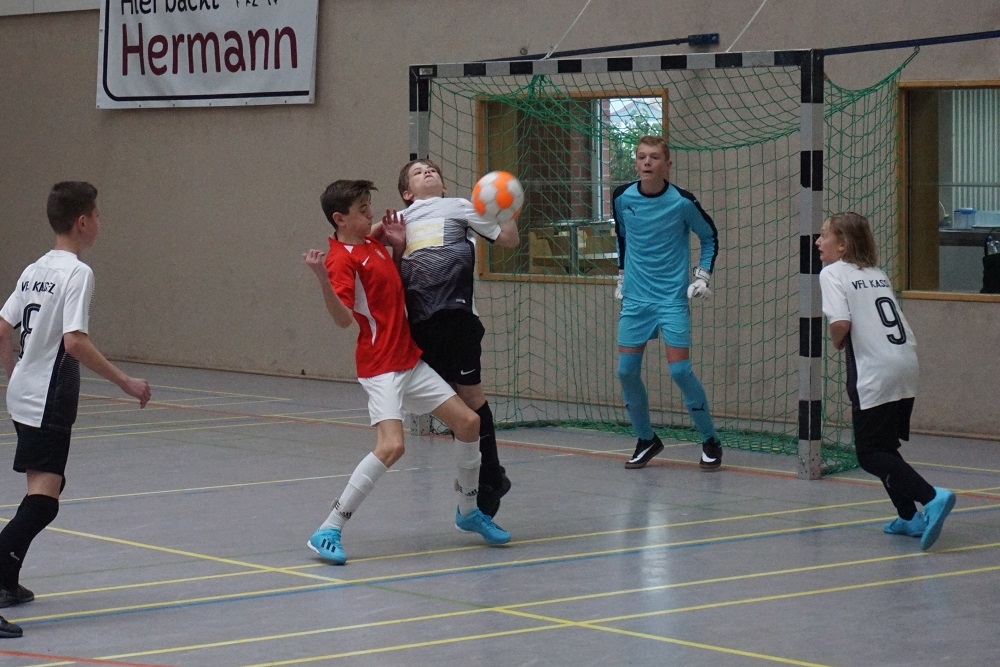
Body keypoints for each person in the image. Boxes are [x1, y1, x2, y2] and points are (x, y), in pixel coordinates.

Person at [303, 179, 510, 565]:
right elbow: (344, 320)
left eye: (369, 206)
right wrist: (321, 280)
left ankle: (468, 511)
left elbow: (389, 291)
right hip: (381, 366)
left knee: (468, 423)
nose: (370, 214)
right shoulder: (340, 260)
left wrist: (398, 249)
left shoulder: (371, 245)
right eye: (362, 210)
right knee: (392, 446)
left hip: (408, 360)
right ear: (340, 218)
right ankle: (329, 528)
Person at [0, 182, 151, 639]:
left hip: (23, 393)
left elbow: (2, 329)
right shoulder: (77, 273)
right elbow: (74, 342)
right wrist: (125, 382)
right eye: (98, 215)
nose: (100, 222)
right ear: (83, 222)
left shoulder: (34, 268)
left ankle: (7, 580)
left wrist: (15, 374)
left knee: (43, 488)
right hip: (49, 396)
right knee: (44, 503)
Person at [817, 212, 955, 551]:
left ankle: (932, 497)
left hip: (874, 370)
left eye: (824, 235)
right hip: (905, 362)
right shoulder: (876, 274)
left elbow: (841, 323)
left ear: (842, 245)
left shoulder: (832, 273)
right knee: (884, 447)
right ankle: (908, 517)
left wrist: (836, 340)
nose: (818, 242)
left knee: (869, 454)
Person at [395, 159, 519, 517]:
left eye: (432, 170)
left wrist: (508, 209)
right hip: (420, 323)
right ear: (407, 193)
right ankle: (484, 474)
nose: (427, 173)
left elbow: (508, 239)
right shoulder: (399, 220)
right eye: (417, 172)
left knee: (471, 397)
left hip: (459, 317)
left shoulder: (460, 207)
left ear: (444, 186)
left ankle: (487, 477)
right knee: (451, 405)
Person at [612, 135, 723, 471]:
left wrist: (702, 276)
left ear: (667, 164)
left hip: (671, 299)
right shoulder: (622, 197)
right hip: (635, 299)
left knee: (680, 370)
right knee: (626, 371)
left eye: (654, 157)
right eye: (641, 156)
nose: (647, 162)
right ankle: (646, 439)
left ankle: (710, 440)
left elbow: (709, 237)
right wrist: (622, 275)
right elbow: (623, 236)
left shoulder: (682, 202)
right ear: (636, 163)